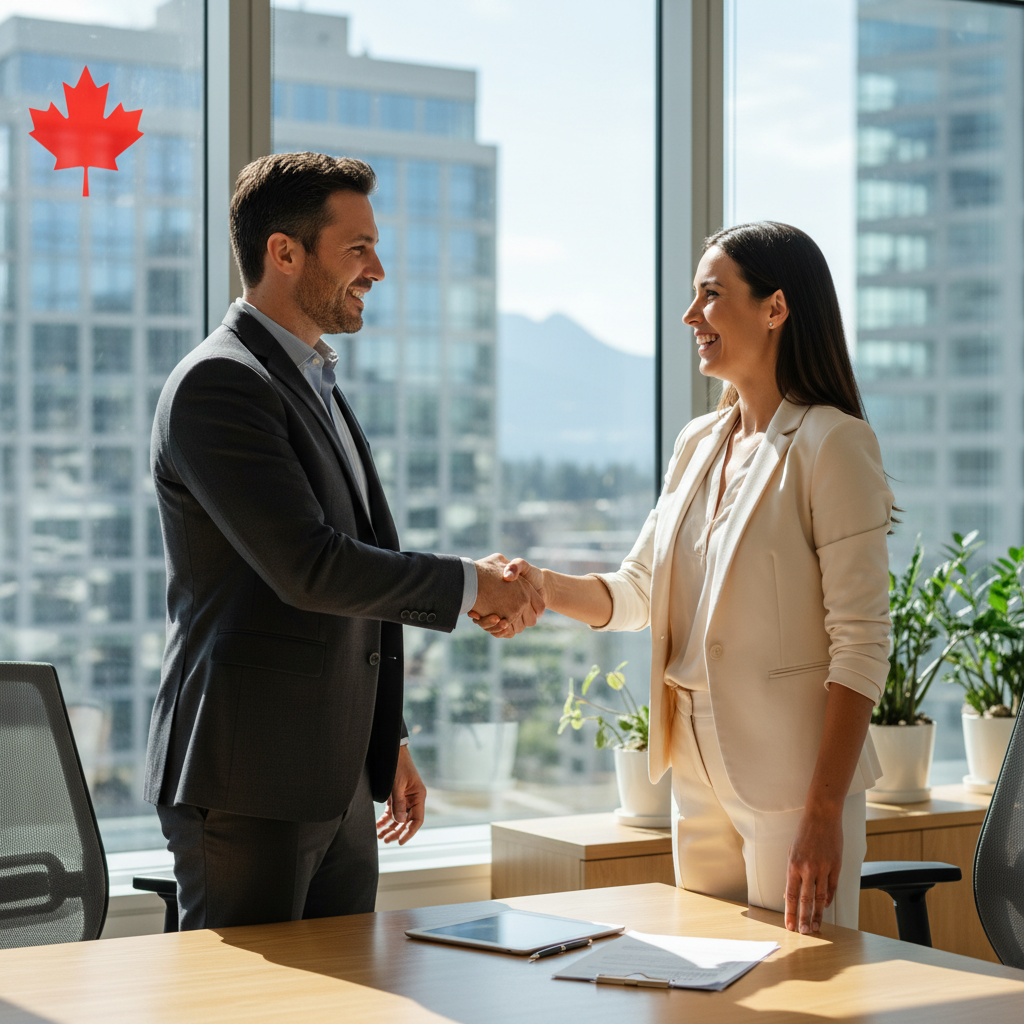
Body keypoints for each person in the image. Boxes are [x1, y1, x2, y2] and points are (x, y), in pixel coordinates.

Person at [145, 152, 543, 930]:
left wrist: (382, 739)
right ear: (283, 253)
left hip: (333, 777)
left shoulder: (312, 379)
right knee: (247, 1015)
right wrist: (470, 585)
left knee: (341, 1001)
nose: (380, 270)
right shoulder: (218, 384)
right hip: (249, 778)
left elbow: (347, 572)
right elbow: (309, 567)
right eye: (357, 248)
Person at [475, 221, 892, 935]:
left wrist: (825, 812)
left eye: (709, 295)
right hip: (695, 767)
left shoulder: (832, 442)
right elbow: (643, 589)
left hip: (791, 782)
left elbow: (860, 643)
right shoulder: (699, 442)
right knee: (701, 978)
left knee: (804, 993)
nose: (690, 316)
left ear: (775, 308)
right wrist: (537, 582)